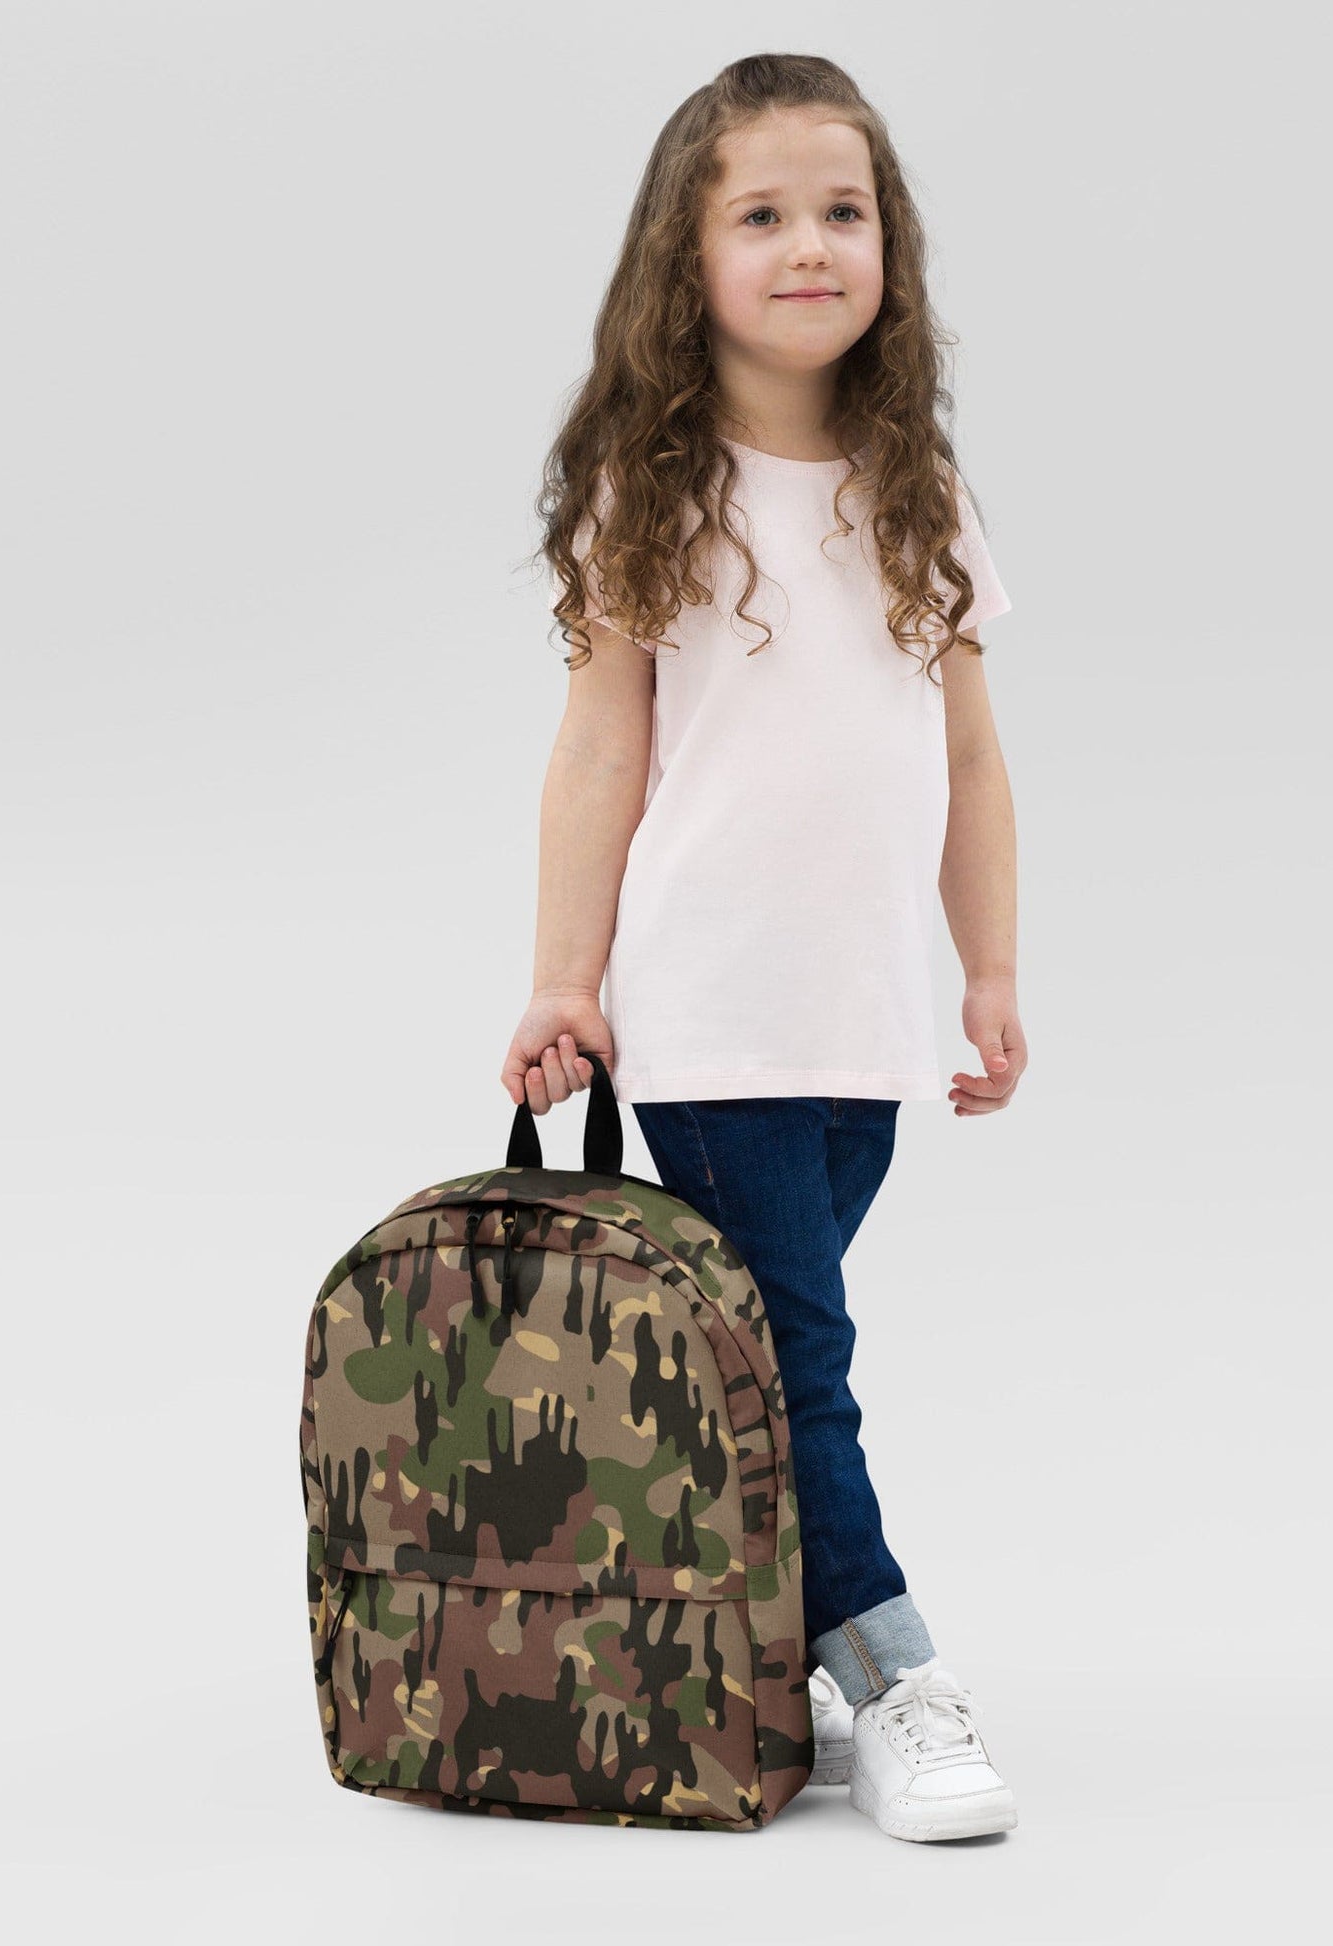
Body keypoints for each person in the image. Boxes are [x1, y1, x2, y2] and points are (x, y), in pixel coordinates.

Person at [501, 53, 1026, 1845]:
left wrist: (988, 972)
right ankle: (897, 1678)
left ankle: (733, 1632)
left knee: (754, 1367)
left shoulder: (917, 488)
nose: (811, 245)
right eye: (763, 214)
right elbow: (599, 753)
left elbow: (967, 758)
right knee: (797, 1360)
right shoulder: (654, 490)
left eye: (843, 210)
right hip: (711, 1010)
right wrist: (566, 979)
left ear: (890, 246)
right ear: (687, 255)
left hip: (866, 1019)